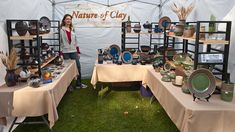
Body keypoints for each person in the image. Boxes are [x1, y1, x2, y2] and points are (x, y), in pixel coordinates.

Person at [60, 14, 87, 89]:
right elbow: (59, 43)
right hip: (65, 52)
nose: (68, 20)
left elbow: (76, 41)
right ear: (64, 20)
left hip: (73, 51)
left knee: (78, 67)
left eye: (70, 19)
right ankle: (69, 86)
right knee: (67, 70)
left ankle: (78, 84)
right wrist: (60, 54)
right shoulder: (61, 30)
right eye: (67, 19)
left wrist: (78, 52)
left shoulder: (73, 29)